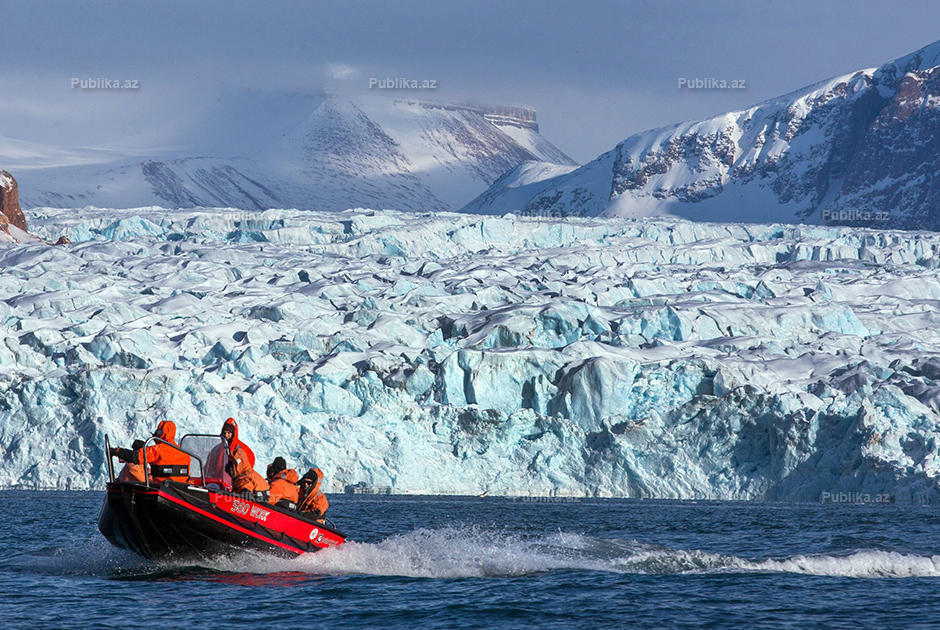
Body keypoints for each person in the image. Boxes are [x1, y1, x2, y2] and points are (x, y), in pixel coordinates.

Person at [111, 420, 189, 484]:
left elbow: (135, 457)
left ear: (160, 434)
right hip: (180, 491)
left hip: (162, 489)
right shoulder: (185, 454)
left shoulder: (156, 450)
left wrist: (117, 451)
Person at [218, 417, 269, 498]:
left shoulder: (244, 450)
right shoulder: (218, 449)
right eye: (224, 432)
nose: (226, 435)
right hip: (220, 484)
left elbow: (246, 472)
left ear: (234, 433)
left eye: (229, 433)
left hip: (237, 485)